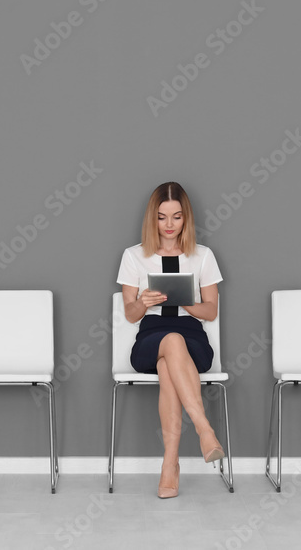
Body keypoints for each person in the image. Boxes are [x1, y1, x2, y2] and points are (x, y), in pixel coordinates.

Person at [116, 181, 226, 499]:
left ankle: (170, 465)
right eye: (162, 217)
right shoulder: (134, 256)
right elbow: (131, 314)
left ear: (185, 219)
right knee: (170, 343)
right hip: (150, 339)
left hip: (193, 341)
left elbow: (210, 311)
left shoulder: (203, 256)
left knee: (171, 362)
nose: (169, 225)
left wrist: (183, 298)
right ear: (153, 218)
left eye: (176, 217)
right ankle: (204, 429)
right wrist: (146, 301)